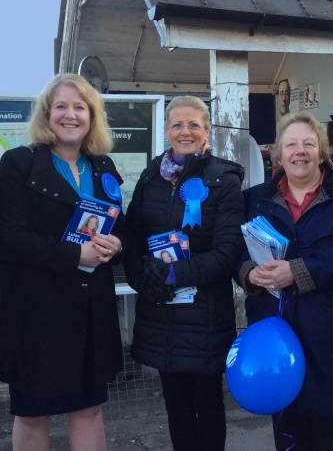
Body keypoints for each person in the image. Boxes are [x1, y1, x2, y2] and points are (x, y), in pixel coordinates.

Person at [0, 73, 125, 451]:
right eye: (61, 107)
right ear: (46, 114)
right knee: (33, 415)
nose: (70, 115)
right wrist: (76, 255)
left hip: (91, 312)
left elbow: (123, 224)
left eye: (80, 107)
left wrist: (116, 244)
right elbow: (8, 238)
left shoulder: (103, 167)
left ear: (92, 116)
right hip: (36, 315)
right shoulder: (18, 163)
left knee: (88, 411)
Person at [235, 111, 333, 451]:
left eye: (309, 144)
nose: (300, 151)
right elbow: (235, 252)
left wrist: (297, 272)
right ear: (278, 153)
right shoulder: (254, 200)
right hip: (275, 348)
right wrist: (248, 273)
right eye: (292, 144)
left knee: (331, 439)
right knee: (289, 439)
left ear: (322, 152)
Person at [123, 95, 246, 451]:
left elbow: (226, 254)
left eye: (194, 124)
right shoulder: (151, 176)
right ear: (166, 130)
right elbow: (133, 237)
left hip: (204, 316)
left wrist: (172, 274)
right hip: (161, 314)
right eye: (177, 124)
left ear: (206, 130)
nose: (185, 131)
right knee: (175, 409)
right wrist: (141, 277)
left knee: (207, 408)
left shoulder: (223, 180)